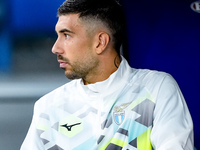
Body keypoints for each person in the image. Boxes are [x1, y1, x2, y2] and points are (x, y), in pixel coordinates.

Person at [21, 0, 194, 149]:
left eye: (66, 35)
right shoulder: (47, 108)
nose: (55, 48)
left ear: (100, 42)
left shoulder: (157, 89)